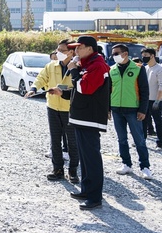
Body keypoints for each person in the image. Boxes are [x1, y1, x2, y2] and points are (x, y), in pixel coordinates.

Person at [49, 35, 110, 210]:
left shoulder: (97, 65)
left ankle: (94, 197)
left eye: (78, 48)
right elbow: (79, 90)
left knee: (91, 159)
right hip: (81, 117)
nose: (75, 51)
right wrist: (63, 93)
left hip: (90, 119)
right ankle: (86, 190)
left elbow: (85, 88)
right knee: (85, 157)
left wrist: (74, 70)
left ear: (90, 49)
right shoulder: (87, 64)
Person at [26, 40, 79, 184]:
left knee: (72, 142)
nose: (57, 52)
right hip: (53, 107)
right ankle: (57, 170)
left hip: (69, 109)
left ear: (71, 52)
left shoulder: (77, 68)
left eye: (61, 50)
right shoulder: (51, 66)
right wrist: (33, 89)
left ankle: (73, 171)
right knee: (55, 140)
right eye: (57, 49)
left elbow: (78, 87)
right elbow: (41, 78)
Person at [109, 44, 153, 180]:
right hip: (116, 109)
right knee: (122, 139)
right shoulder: (112, 70)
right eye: (112, 54)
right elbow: (108, 90)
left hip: (133, 110)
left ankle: (145, 167)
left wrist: (142, 110)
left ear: (125, 53)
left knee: (139, 139)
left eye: (116, 53)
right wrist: (108, 109)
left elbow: (145, 91)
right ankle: (126, 163)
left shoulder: (138, 69)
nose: (113, 56)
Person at [141, 48, 162, 150]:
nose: (144, 57)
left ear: (152, 55)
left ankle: (160, 143)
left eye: (146, 55)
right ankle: (142, 140)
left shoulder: (160, 70)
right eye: (143, 55)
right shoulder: (145, 68)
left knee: (158, 121)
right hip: (145, 100)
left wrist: (157, 101)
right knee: (143, 121)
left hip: (156, 100)